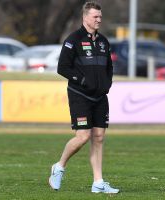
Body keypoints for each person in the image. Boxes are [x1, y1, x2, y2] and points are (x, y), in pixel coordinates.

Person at [49, 1, 119, 194]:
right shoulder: (73, 39)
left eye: (100, 17)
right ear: (85, 17)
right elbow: (62, 67)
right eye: (95, 17)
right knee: (82, 136)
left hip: (100, 97)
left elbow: (109, 68)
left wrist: (107, 84)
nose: (99, 20)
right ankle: (59, 166)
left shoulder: (104, 41)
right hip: (80, 94)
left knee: (98, 137)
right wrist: (82, 80)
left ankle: (98, 182)